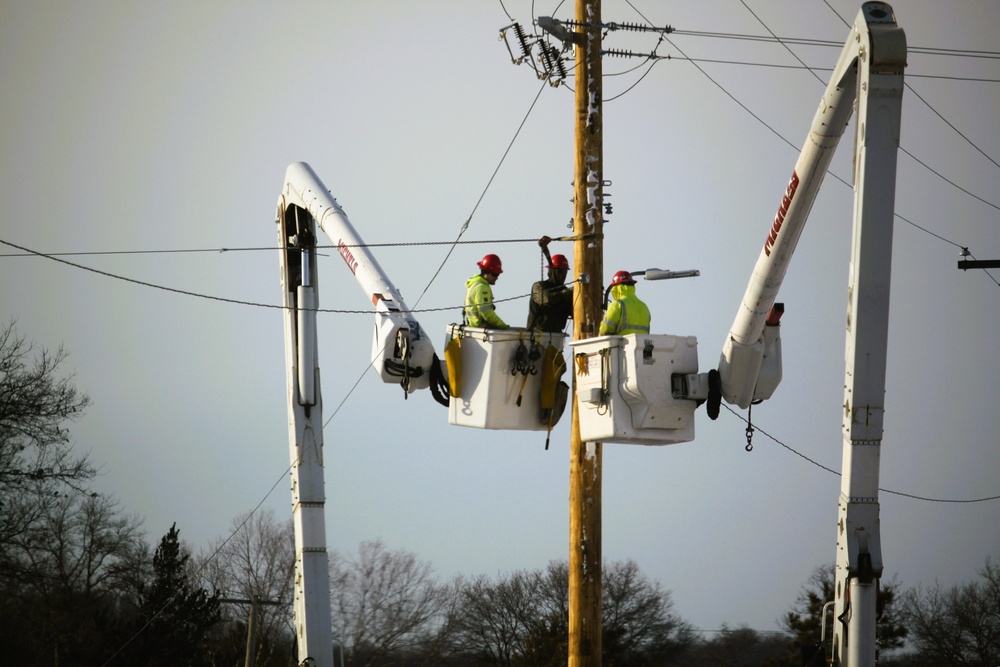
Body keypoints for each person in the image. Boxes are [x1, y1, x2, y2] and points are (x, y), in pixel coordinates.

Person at [527, 236, 573, 333]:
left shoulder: (566, 292)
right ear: (553, 272)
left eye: (565, 272)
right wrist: (570, 291)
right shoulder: (538, 286)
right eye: (561, 272)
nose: (563, 275)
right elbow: (547, 299)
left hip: (556, 338)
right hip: (535, 337)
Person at [464, 253, 509, 329]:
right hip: (480, 329)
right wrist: (503, 326)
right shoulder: (482, 288)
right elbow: (486, 313)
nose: (497, 277)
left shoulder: (474, 284)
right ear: (487, 273)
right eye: (495, 274)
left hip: (474, 327)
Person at [599, 270, 651, 335]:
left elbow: (605, 330)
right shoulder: (644, 307)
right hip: (641, 344)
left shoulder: (617, 305)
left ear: (616, 288)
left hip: (621, 344)